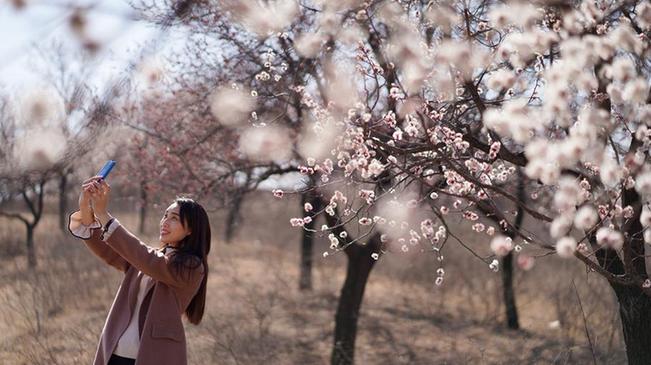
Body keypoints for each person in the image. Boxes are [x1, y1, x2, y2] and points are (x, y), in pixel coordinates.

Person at [68, 176, 211, 365]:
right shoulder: (150, 260)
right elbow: (109, 251)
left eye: (174, 218)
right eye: (165, 216)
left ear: (191, 230)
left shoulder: (191, 267)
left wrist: (104, 214)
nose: (165, 222)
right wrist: (87, 209)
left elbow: (147, 259)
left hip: (153, 358)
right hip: (114, 355)